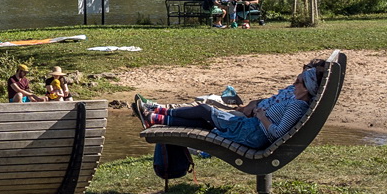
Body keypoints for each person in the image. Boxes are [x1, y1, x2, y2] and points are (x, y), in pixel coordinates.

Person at [134, 62, 323, 150]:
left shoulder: (297, 106)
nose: (294, 82)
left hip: (252, 133)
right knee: (205, 120)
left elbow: (277, 133)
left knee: (205, 110)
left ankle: (158, 112)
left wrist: (261, 116)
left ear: (307, 89)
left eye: (299, 81)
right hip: (250, 128)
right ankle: (154, 118)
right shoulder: (295, 99)